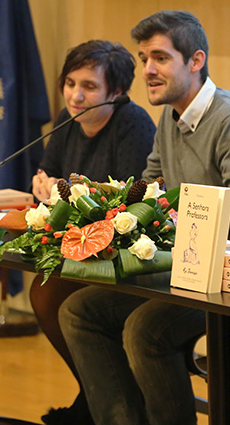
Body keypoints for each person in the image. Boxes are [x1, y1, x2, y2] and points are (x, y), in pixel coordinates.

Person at [59, 10, 230, 425]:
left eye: (160, 58)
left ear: (195, 61)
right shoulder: (171, 116)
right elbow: (148, 186)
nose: (147, 70)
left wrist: (169, 206)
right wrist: (96, 203)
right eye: (144, 58)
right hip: (185, 267)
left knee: (145, 330)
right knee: (79, 310)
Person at [29, 40, 156, 425]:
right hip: (78, 248)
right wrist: (43, 186)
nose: (75, 95)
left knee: (49, 294)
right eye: (69, 83)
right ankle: (97, 397)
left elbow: (128, 201)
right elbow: (46, 176)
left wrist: (67, 193)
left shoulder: (133, 125)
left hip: (124, 256)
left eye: (88, 86)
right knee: (45, 291)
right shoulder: (67, 123)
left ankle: (102, 402)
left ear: (115, 93)